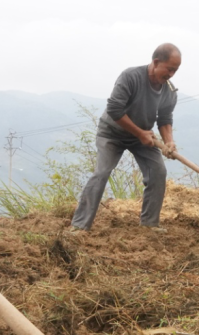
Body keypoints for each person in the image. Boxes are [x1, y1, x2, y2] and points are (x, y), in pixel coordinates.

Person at [71, 44, 181, 231]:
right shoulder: (131, 77)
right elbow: (115, 109)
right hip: (112, 133)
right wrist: (139, 132)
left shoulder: (169, 91)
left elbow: (164, 119)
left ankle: (149, 224)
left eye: (175, 70)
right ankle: (79, 226)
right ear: (156, 62)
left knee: (158, 172)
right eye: (169, 69)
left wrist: (169, 141)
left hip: (143, 137)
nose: (171, 74)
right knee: (101, 173)